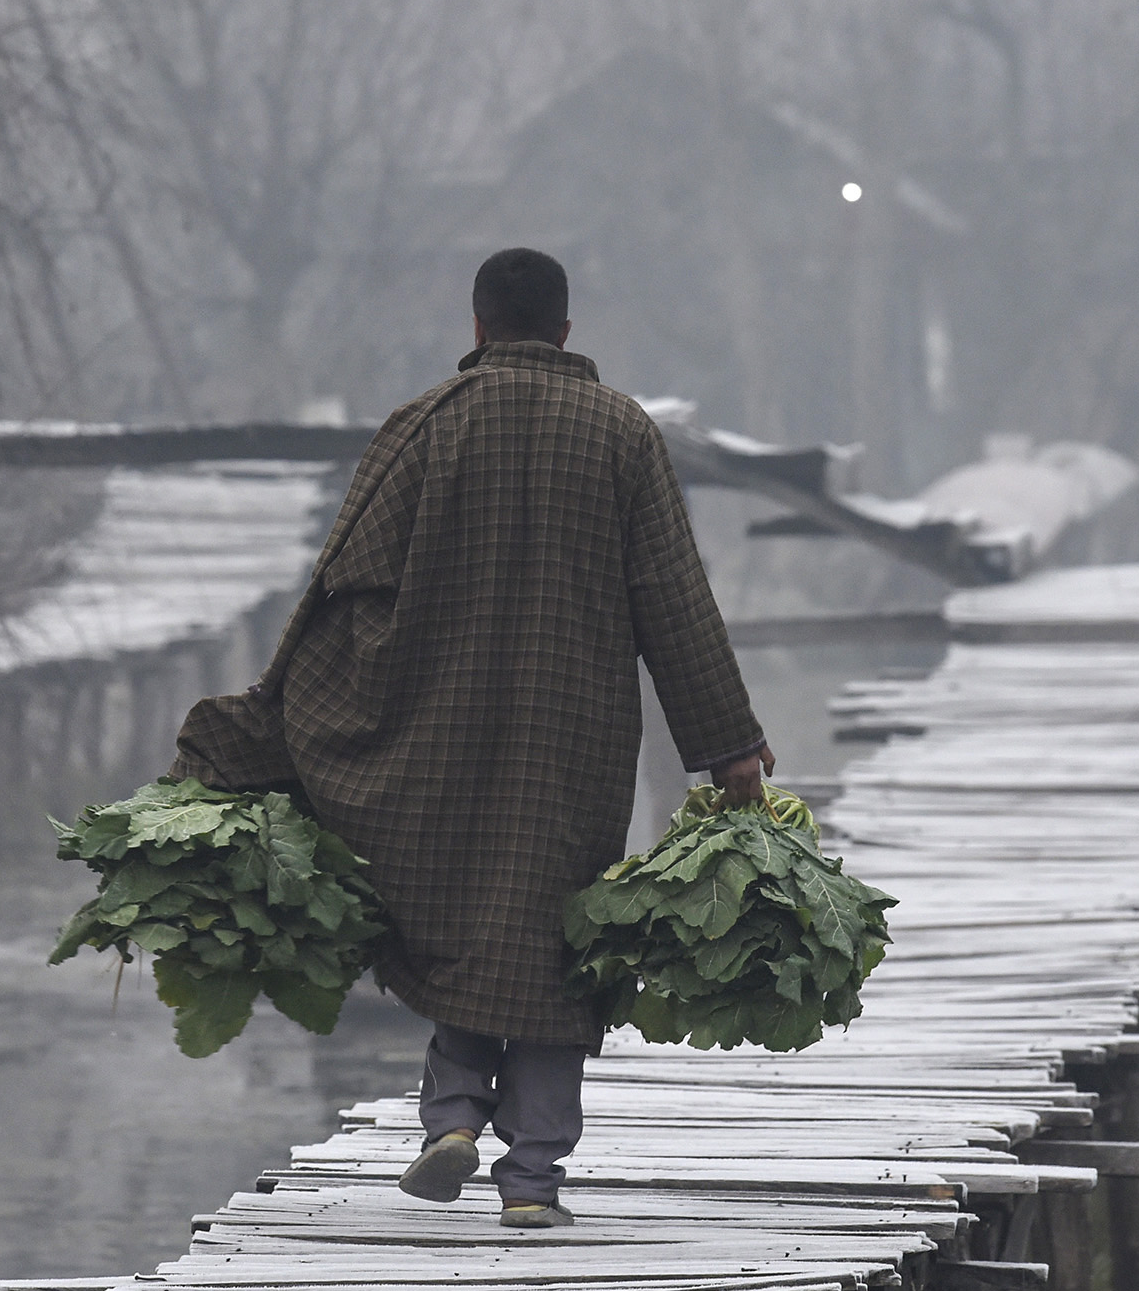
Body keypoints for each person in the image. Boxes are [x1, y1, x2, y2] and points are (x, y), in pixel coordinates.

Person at [175, 246, 771, 1228]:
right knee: (551, 934)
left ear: (480, 325)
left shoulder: (422, 426)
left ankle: (451, 1116)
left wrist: (279, 705)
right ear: (567, 332)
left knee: (460, 915)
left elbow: (340, 583)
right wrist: (730, 746)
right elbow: (675, 599)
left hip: (437, 729)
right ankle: (532, 1174)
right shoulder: (623, 432)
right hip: (572, 736)